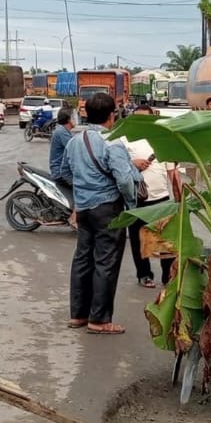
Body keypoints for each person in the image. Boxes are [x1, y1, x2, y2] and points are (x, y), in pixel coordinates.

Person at [61, 92, 138, 335]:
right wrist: (131, 203)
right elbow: (125, 180)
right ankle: (100, 319)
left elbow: (64, 171)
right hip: (108, 208)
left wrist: (83, 189)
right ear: (111, 115)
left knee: (82, 260)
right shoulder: (113, 142)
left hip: (84, 209)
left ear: (86, 114)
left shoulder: (75, 140)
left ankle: (78, 315)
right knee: (106, 262)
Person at [122, 105, 178, 289]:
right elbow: (115, 164)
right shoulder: (124, 140)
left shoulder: (162, 140)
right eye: (137, 118)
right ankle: (144, 274)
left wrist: (180, 197)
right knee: (139, 241)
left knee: (165, 242)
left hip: (162, 199)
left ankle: (167, 275)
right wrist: (132, 164)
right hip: (136, 200)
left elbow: (173, 172)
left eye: (145, 118)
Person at [49, 106, 76, 208]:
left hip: (62, 170)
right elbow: (74, 149)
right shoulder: (61, 132)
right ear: (69, 119)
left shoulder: (64, 131)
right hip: (60, 172)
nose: (75, 119)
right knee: (82, 186)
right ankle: (74, 217)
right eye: (73, 117)